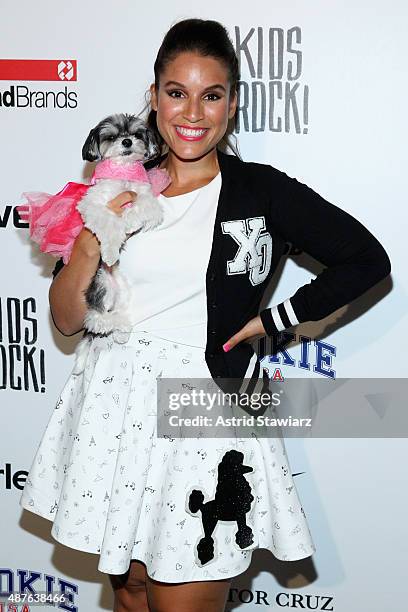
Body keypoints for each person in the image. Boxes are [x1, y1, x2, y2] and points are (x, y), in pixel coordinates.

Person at [19, 18, 391, 612]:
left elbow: (366, 259)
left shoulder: (261, 192)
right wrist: (94, 234)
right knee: (133, 592)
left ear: (232, 104)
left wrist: (278, 319)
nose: (192, 111)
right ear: (155, 97)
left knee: (181, 591)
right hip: (115, 404)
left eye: (210, 95)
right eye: (176, 92)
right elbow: (66, 320)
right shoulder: (119, 184)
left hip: (203, 406)